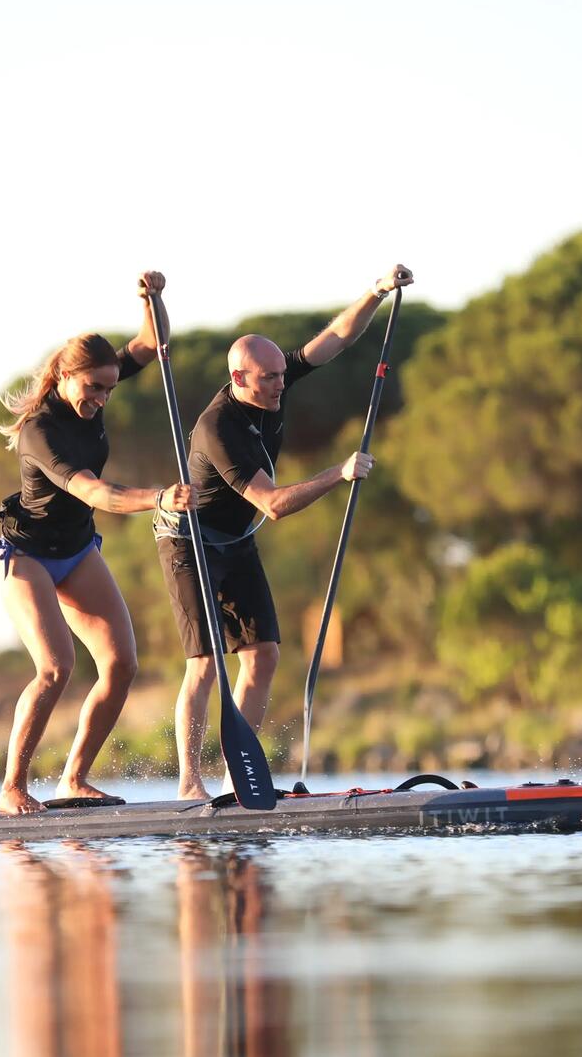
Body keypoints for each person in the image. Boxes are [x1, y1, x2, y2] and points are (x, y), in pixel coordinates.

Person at [155, 264, 414, 799]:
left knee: (263, 654)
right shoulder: (218, 428)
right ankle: (188, 782)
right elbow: (272, 505)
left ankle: (236, 779)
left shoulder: (273, 380)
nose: (280, 384)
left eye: (281, 375)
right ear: (239, 380)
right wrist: (336, 474)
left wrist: (376, 291)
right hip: (189, 543)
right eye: (268, 378)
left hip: (235, 538)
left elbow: (335, 339)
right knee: (204, 664)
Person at [0, 272, 194, 815]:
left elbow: (153, 344)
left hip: (77, 549)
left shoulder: (98, 381)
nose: (102, 397)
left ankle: (74, 778)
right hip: (29, 556)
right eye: (93, 387)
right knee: (55, 669)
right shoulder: (40, 431)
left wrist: (154, 300)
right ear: (63, 375)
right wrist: (157, 499)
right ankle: (12, 787)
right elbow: (94, 490)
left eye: (109, 388)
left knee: (122, 664)